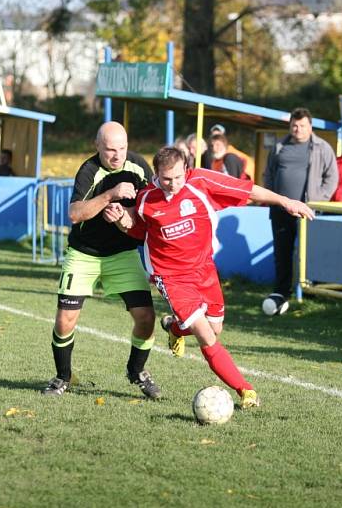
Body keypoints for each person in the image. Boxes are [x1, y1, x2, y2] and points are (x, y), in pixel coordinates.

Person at [106, 146, 314, 408]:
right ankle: (246, 391)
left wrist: (285, 201)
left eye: (178, 178)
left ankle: (174, 327)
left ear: (186, 169)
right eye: (167, 179)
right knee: (206, 334)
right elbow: (137, 228)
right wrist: (120, 219)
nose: (173, 185)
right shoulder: (147, 197)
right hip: (171, 277)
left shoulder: (201, 181)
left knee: (215, 328)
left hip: (204, 270)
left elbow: (247, 190)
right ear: (157, 174)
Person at [42, 121, 161, 399]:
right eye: (110, 150)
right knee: (65, 321)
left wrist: (125, 217)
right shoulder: (89, 171)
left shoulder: (139, 167)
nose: (117, 155)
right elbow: (74, 214)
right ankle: (62, 377)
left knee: (146, 318)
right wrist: (109, 195)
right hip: (84, 254)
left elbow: (150, 207)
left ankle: (137, 371)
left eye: (122, 148)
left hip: (122, 255)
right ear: (97, 147)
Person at [262, 107, 338, 314]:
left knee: (310, 252)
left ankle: (312, 292)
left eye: (302, 125)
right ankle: (281, 292)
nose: (298, 129)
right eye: (294, 125)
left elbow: (331, 178)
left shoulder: (322, 147)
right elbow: (268, 174)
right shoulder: (279, 147)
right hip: (281, 210)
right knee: (282, 253)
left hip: (308, 210)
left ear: (310, 126)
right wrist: (273, 198)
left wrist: (316, 201)